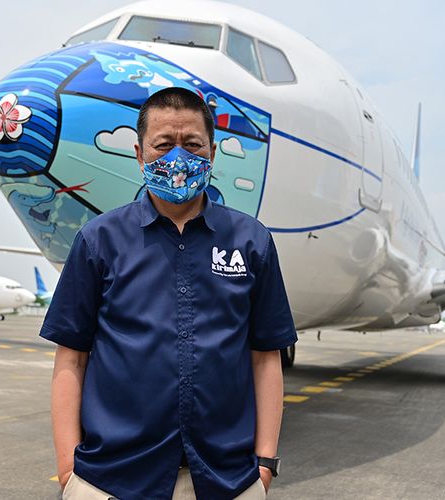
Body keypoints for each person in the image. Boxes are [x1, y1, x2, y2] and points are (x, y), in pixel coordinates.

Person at [40, 87, 297, 500]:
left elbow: (266, 356)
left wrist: (264, 464)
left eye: (192, 144)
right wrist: (69, 468)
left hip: (225, 480)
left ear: (212, 153)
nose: (179, 157)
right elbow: (71, 357)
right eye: (164, 145)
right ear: (140, 154)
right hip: (111, 479)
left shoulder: (252, 242)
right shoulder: (98, 241)